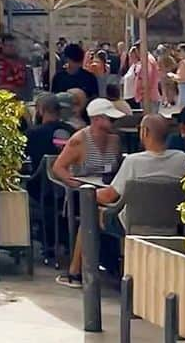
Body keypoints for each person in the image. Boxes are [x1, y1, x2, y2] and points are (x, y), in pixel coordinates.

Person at [53, 97, 124, 286]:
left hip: (106, 189)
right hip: (83, 191)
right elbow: (59, 167)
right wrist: (75, 185)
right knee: (89, 212)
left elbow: (115, 168)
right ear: (97, 119)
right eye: (110, 119)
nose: (113, 123)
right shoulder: (79, 140)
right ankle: (75, 270)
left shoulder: (115, 141)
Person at [96, 114, 185, 229]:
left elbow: (109, 196)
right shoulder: (182, 159)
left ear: (145, 132)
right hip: (172, 223)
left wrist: (88, 193)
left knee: (90, 217)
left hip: (132, 225)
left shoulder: (133, 161)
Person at [26, 94, 73, 170]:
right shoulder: (72, 131)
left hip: (39, 179)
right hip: (67, 176)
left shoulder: (32, 133)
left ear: (41, 110)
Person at [0, 34, 33, 100]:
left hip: (19, 99)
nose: (13, 48)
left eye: (14, 46)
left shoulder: (22, 63)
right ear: (2, 46)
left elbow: (28, 86)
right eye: (10, 46)